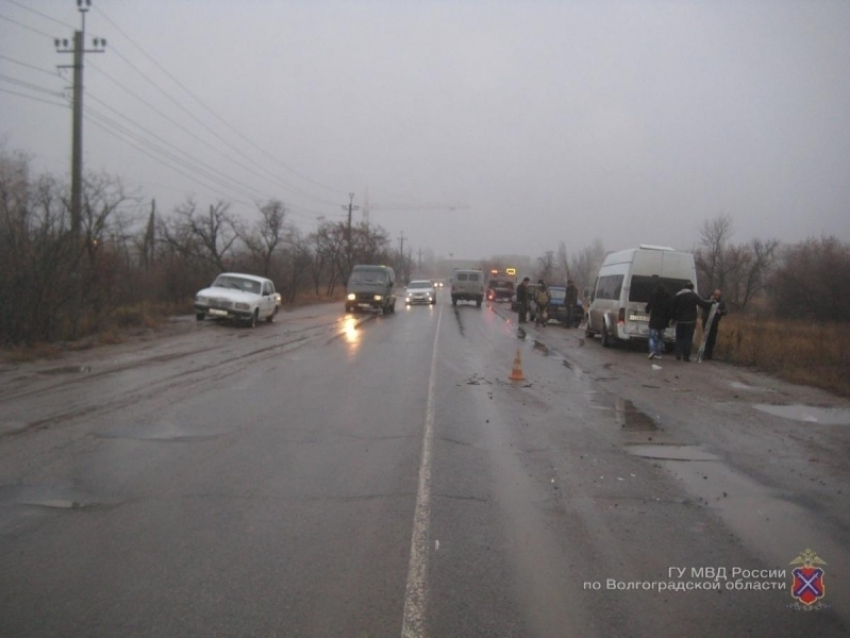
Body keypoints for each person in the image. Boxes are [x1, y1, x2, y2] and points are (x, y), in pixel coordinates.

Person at [671, 282, 713, 362]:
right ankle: (686, 356)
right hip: (690, 321)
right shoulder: (693, 295)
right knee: (688, 338)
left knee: (679, 337)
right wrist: (711, 302)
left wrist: (673, 318)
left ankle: (678, 354)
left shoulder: (678, 295)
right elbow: (703, 303)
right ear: (692, 288)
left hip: (680, 320)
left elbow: (673, 307)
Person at [645, 283, 671, 359]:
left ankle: (652, 351)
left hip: (654, 320)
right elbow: (669, 309)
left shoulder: (653, 296)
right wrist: (669, 318)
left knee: (652, 337)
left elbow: (648, 307)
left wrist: (647, 310)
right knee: (660, 337)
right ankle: (658, 354)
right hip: (663, 321)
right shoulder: (667, 297)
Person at [701, 288, 728, 360]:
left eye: (718, 295)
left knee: (712, 339)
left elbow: (725, 311)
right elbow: (702, 304)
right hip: (706, 321)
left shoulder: (721, 302)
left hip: (714, 322)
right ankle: (703, 353)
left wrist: (721, 312)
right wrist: (710, 300)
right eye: (716, 295)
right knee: (705, 337)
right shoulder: (707, 298)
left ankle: (709, 354)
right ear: (713, 294)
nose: (717, 297)